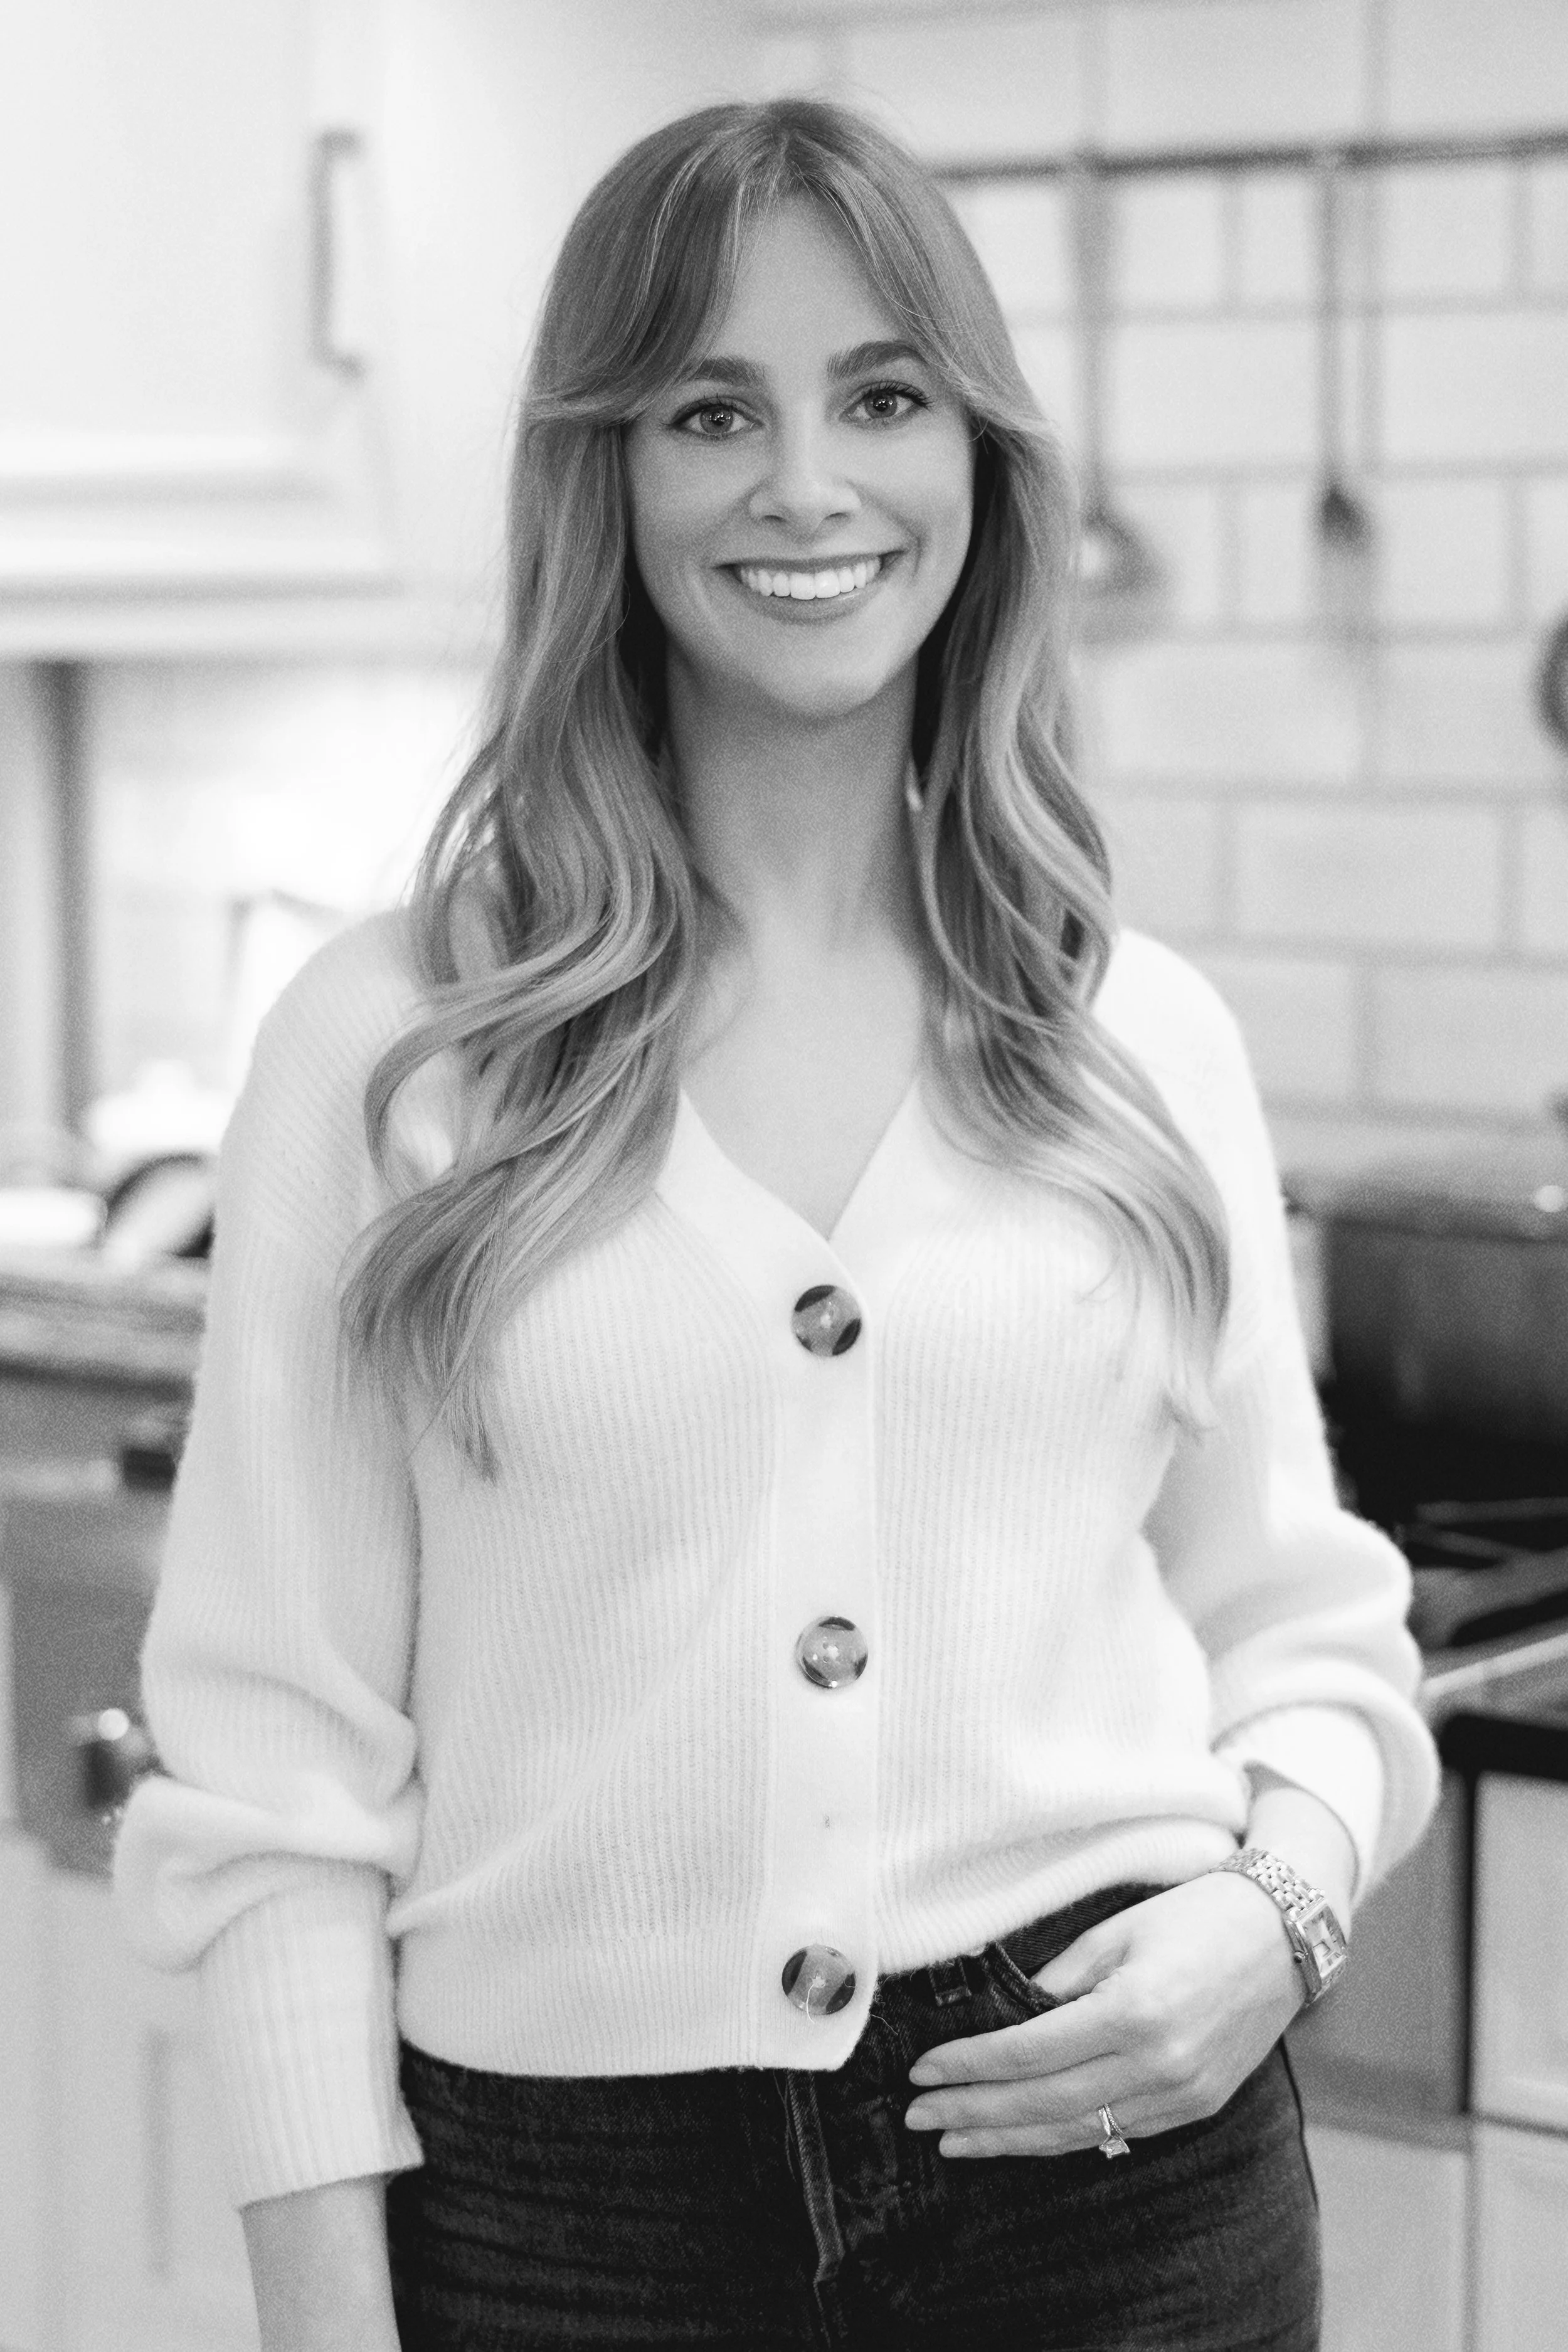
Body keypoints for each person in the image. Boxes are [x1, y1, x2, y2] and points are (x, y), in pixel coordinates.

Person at [114, 98, 1439, 2352]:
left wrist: (1278, 1917)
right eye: (710, 409)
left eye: (883, 396)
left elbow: (1302, 1638)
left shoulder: (1136, 1034)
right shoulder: (392, 1048)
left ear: (974, 459)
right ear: (602, 478)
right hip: (561, 2215)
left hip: (1116, 2182)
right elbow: (276, 1776)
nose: (806, 485)